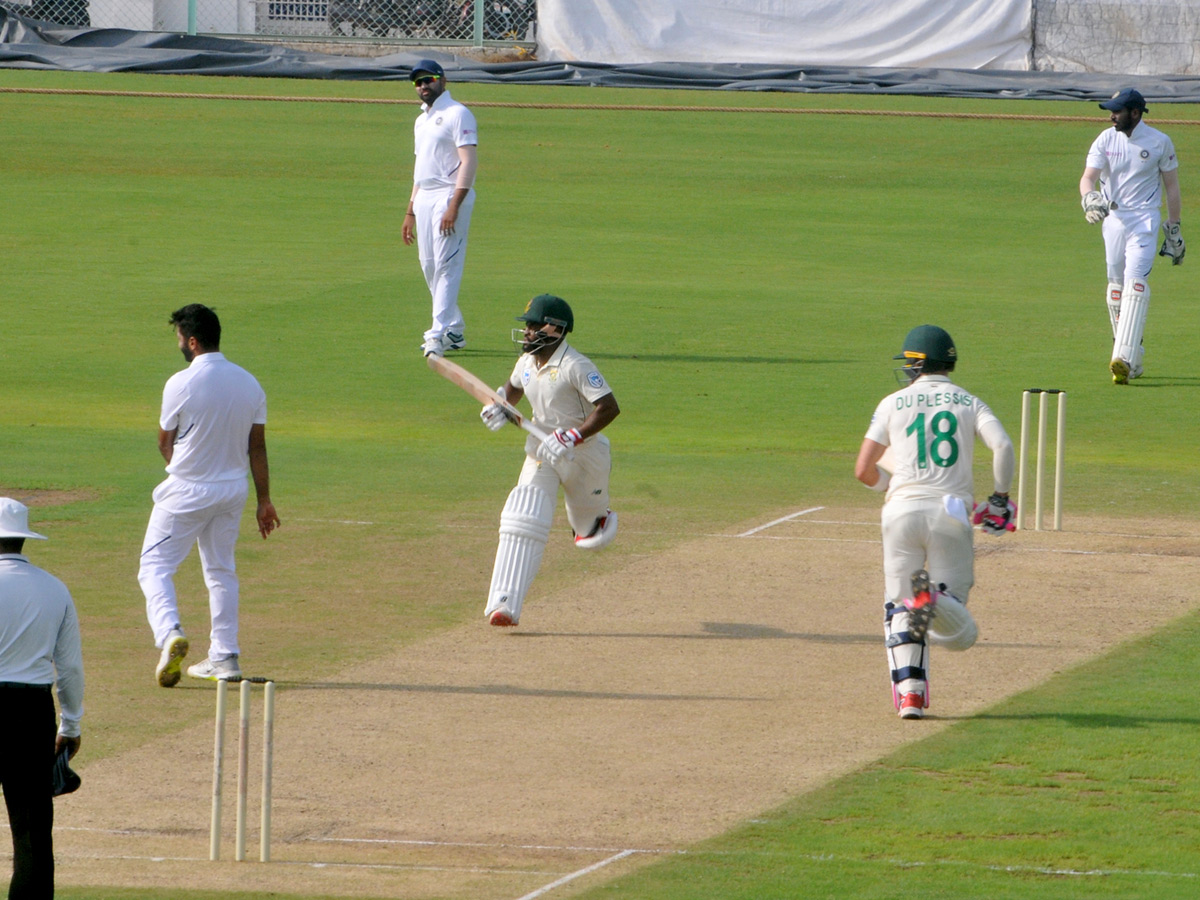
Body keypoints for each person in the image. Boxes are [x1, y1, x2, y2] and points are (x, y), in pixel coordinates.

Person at [854, 325, 1014, 720]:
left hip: (900, 513)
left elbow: (863, 469)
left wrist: (892, 487)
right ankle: (935, 599)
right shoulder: (969, 402)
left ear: (918, 364)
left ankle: (910, 695)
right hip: (952, 513)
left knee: (898, 609)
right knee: (958, 632)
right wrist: (1000, 498)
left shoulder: (892, 402)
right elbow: (1004, 446)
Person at [138, 304, 280, 686]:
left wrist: (187, 469)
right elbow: (258, 447)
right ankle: (225, 656)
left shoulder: (180, 383)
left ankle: (170, 634)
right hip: (232, 491)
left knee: (154, 567)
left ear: (193, 341)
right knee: (221, 571)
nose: (179, 345)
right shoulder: (250, 383)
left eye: (180, 339)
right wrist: (264, 501)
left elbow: (164, 442)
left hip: (185, 490)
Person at [477, 294, 620, 627]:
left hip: (585, 456)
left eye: (532, 325)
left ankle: (596, 519)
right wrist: (497, 405)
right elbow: (511, 389)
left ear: (554, 329)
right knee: (520, 517)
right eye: (526, 325)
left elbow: (609, 407)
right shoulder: (526, 363)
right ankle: (505, 604)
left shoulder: (576, 366)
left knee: (591, 537)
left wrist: (574, 436)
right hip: (542, 452)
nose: (526, 332)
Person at [0, 497, 84, 899]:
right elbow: (69, 669)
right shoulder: (55, 589)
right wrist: (71, 725)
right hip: (30, 713)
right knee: (32, 830)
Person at [1079, 87, 1184, 385]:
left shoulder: (1159, 142)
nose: (1112, 116)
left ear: (1135, 113)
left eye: (1118, 111)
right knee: (1116, 290)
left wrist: (1173, 228)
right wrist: (1089, 198)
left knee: (1135, 284)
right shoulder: (1105, 138)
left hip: (1144, 220)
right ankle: (1133, 357)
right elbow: (1088, 177)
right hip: (1113, 220)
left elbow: (1172, 187)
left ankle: (1121, 358)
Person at [402, 58, 479, 358]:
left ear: (442, 80)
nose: (423, 86)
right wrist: (410, 209)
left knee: (447, 264)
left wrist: (455, 204)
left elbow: (469, 161)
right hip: (425, 196)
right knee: (429, 265)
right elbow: (420, 167)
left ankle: (436, 334)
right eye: (418, 82)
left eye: (428, 80)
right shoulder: (421, 120)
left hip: (449, 195)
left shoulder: (458, 114)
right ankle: (455, 329)